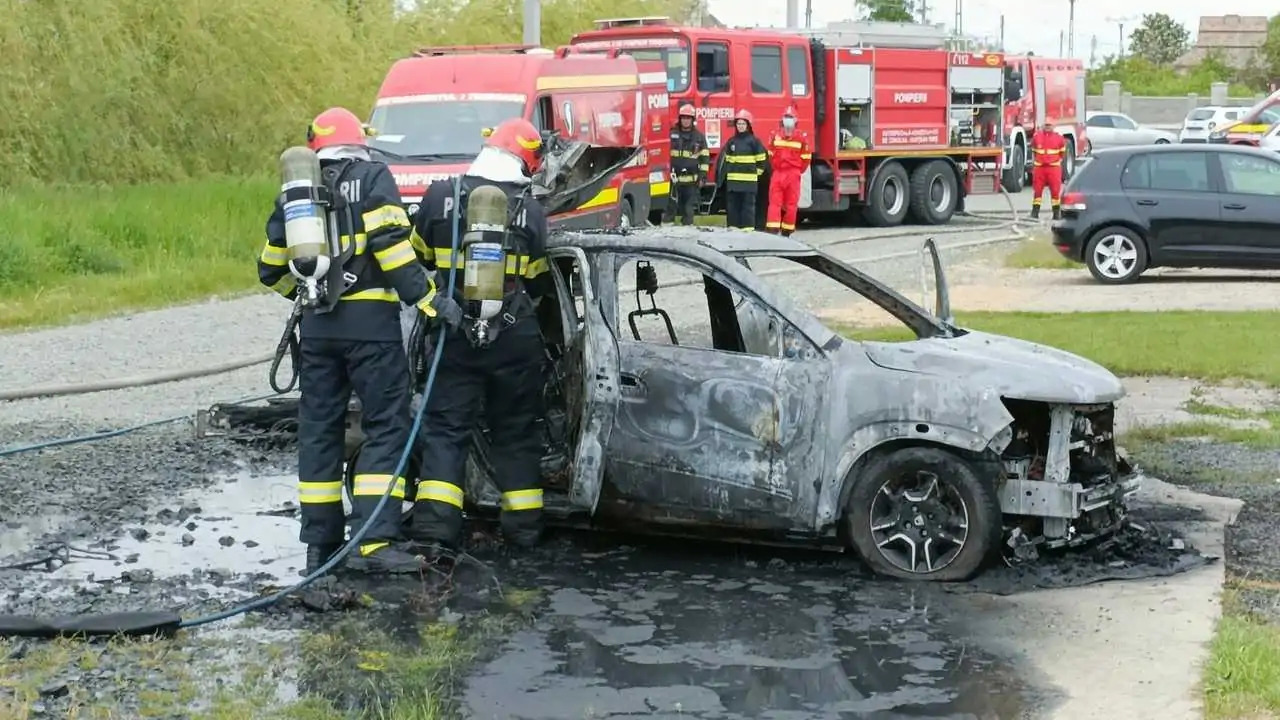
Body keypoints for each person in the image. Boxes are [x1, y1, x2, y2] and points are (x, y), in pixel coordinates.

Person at [257, 106, 462, 576]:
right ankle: (373, 540)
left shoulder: (296, 195)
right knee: (385, 426)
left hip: (319, 331)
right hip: (371, 328)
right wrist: (432, 302)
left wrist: (313, 297)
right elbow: (392, 249)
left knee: (319, 431)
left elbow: (269, 268)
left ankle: (319, 545)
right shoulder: (373, 178)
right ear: (359, 140)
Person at [405, 118, 553, 554]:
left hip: (453, 335)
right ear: (525, 162)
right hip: (513, 339)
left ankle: (435, 535)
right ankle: (524, 532)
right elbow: (537, 278)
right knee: (516, 432)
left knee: (447, 432)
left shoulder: (438, 197)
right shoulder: (529, 209)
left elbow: (417, 260)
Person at [765, 105, 812, 237]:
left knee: (791, 204)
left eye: (790, 117)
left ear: (796, 120)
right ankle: (773, 231)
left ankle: (787, 231)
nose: (788, 120)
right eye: (786, 117)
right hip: (779, 172)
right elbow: (770, 153)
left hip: (793, 173)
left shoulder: (801, 137)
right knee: (775, 202)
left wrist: (797, 170)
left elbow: (806, 158)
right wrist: (777, 166)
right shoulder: (775, 135)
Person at [721, 109, 768, 230]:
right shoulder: (731, 142)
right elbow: (727, 161)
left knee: (748, 209)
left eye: (743, 124)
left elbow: (762, 162)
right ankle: (733, 231)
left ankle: (748, 233)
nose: (740, 126)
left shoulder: (754, 142)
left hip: (749, 184)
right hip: (733, 184)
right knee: (733, 209)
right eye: (738, 124)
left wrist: (754, 175)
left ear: (748, 125)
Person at [663, 103, 709, 226]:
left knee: (688, 211)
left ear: (692, 119)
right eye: (683, 118)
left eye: (688, 118)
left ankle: (687, 235)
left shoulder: (699, 137)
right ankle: (667, 234)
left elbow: (704, 158)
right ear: (680, 119)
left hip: (691, 181)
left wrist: (702, 176)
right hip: (673, 180)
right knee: (670, 209)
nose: (685, 120)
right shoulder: (671, 134)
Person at [1029, 121, 1066, 220]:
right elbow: (1033, 151)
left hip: (1053, 168)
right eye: (1046, 125)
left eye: (1049, 125)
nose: (1047, 127)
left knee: (1055, 192)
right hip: (1040, 168)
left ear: (1053, 126)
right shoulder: (1037, 137)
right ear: (1042, 126)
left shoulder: (1059, 138)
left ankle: (1056, 213)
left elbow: (1062, 153)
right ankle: (1035, 212)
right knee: (1037, 191)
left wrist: (1055, 161)